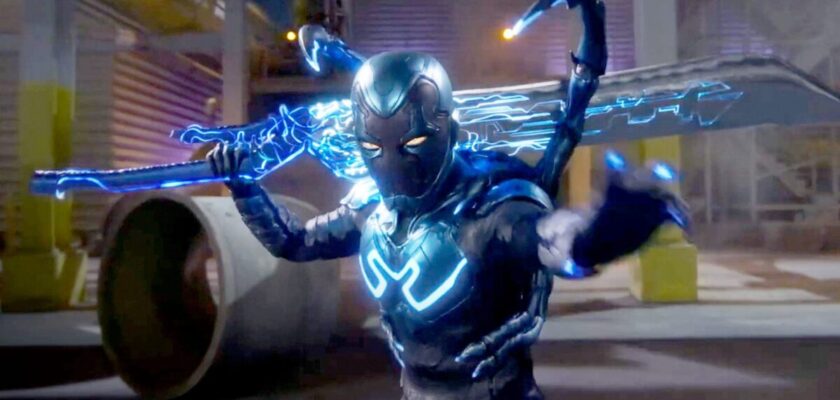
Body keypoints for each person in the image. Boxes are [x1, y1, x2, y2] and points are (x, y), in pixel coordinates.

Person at [208, 1, 687, 398]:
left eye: (413, 143)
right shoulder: (371, 210)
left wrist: (600, 234)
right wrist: (245, 188)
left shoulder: (489, 211)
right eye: (371, 146)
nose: (391, 165)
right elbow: (293, 241)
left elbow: (551, 240)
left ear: (449, 134)